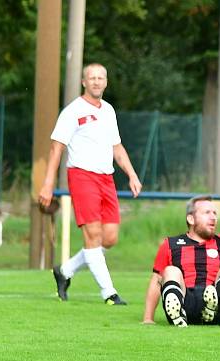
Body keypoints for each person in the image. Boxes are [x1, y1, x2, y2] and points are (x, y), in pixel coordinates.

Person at [38, 63, 141, 305]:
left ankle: (64, 271)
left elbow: (117, 147)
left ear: (106, 82)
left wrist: (132, 174)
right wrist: (48, 183)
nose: (96, 81)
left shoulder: (108, 111)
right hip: (82, 176)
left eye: (100, 78)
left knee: (110, 238)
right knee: (93, 235)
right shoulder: (72, 111)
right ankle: (109, 293)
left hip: (107, 178)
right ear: (84, 82)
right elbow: (56, 147)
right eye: (91, 78)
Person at [142, 195, 220, 327]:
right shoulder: (170, 244)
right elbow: (156, 281)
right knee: (170, 270)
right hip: (186, 301)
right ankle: (178, 313)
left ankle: (211, 305)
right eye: (207, 213)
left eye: (214, 213)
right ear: (191, 219)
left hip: (218, 308)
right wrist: (148, 318)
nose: (213, 217)